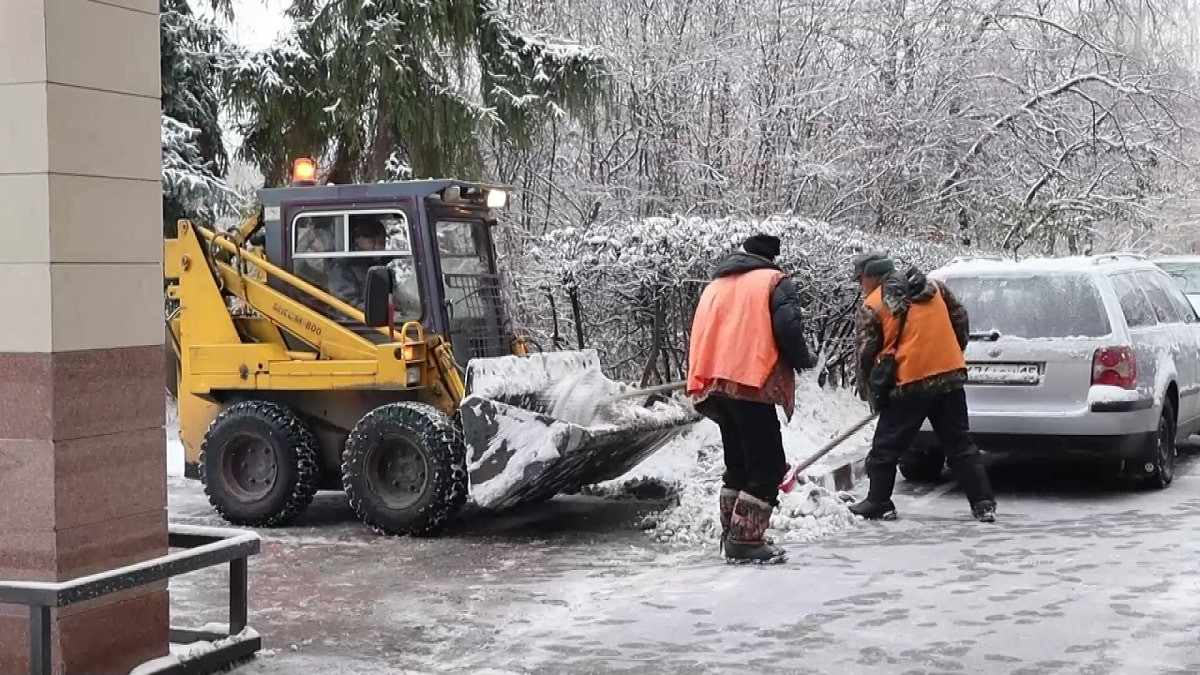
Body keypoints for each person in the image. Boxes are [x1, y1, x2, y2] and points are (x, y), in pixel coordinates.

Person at [686, 234, 817, 564]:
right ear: (772, 258)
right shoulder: (773, 281)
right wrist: (803, 358)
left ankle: (732, 532)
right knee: (767, 464)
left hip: (715, 381)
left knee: (739, 463)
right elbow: (788, 328)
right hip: (751, 380)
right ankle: (744, 541)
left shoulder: (717, 283)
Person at [850, 252, 997, 523]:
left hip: (910, 383)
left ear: (871, 277)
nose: (861, 285)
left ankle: (879, 501)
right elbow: (960, 319)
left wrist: (869, 390)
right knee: (960, 444)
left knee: (886, 448)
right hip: (949, 376)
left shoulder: (873, 304)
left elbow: (866, 352)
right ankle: (983, 503)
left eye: (861, 279)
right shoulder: (934, 287)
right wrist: (951, 353)